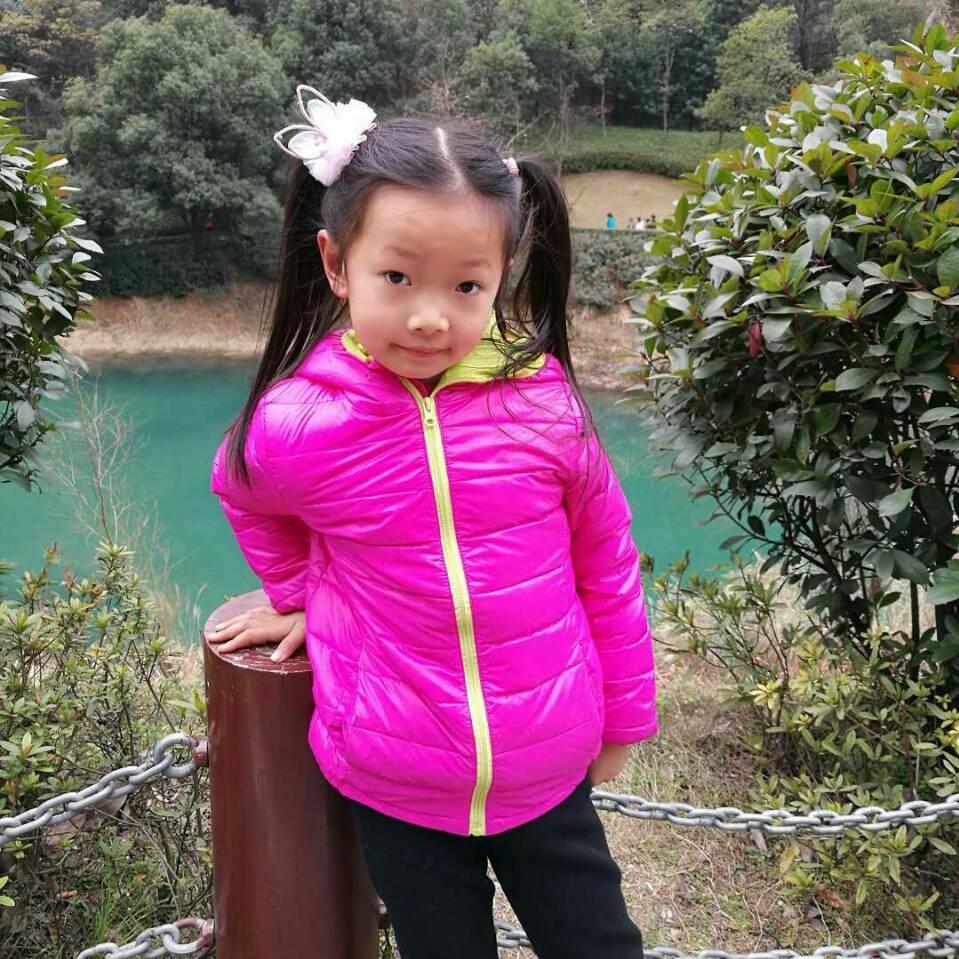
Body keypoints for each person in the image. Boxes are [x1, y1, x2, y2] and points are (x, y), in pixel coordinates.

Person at [208, 85, 657, 959]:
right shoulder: (302, 420)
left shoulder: (543, 408)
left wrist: (624, 718)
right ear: (337, 263)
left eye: (466, 285)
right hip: (397, 779)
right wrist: (301, 592)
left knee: (599, 944)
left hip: (546, 762)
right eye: (397, 277)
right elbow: (243, 491)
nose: (428, 315)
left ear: (501, 276)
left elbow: (607, 561)